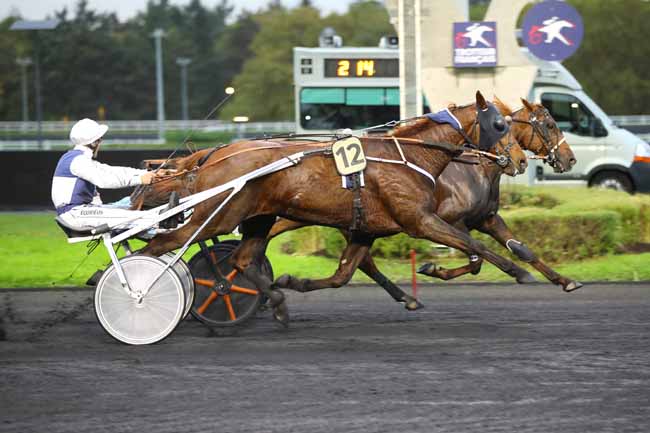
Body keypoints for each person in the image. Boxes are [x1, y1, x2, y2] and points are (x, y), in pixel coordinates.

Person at [51, 118, 169, 233]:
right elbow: (105, 180)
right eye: (100, 139)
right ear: (94, 142)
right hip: (76, 214)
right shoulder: (78, 161)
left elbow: (112, 171)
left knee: (131, 204)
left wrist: (147, 173)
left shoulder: (77, 158)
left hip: (81, 212)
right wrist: (140, 179)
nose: (101, 142)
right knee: (142, 216)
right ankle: (168, 227)